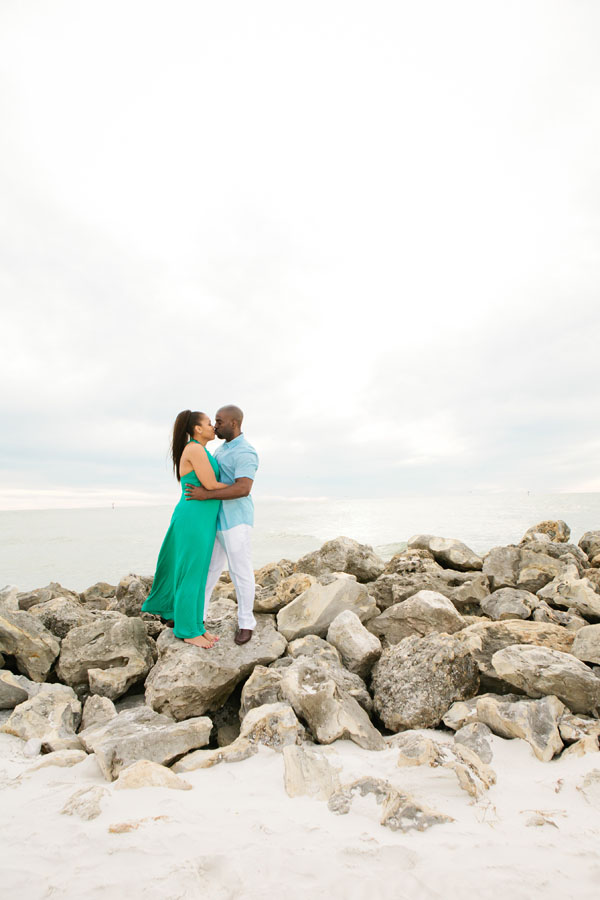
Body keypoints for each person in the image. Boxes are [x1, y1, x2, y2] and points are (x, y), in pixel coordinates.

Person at [141, 410, 230, 649]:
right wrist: (240, 486)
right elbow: (210, 485)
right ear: (197, 429)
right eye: (209, 423)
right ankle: (186, 630)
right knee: (191, 573)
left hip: (201, 519)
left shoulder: (201, 450)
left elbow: (209, 486)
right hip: (192, 519)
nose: (213, 427)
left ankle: (196, 627)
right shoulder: (194, 449)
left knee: (199, 572)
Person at [185, 404, 259, 645]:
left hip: (236, 521)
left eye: (219, 421)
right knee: (209, 570)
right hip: (215, 520)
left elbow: (243, 488)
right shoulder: (220, 450)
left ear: (234, 424)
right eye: (213, 421)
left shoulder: (246, 452)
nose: (215, 426)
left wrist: (205, 495)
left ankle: (246, 623)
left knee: (240, 571)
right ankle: (197, 618)